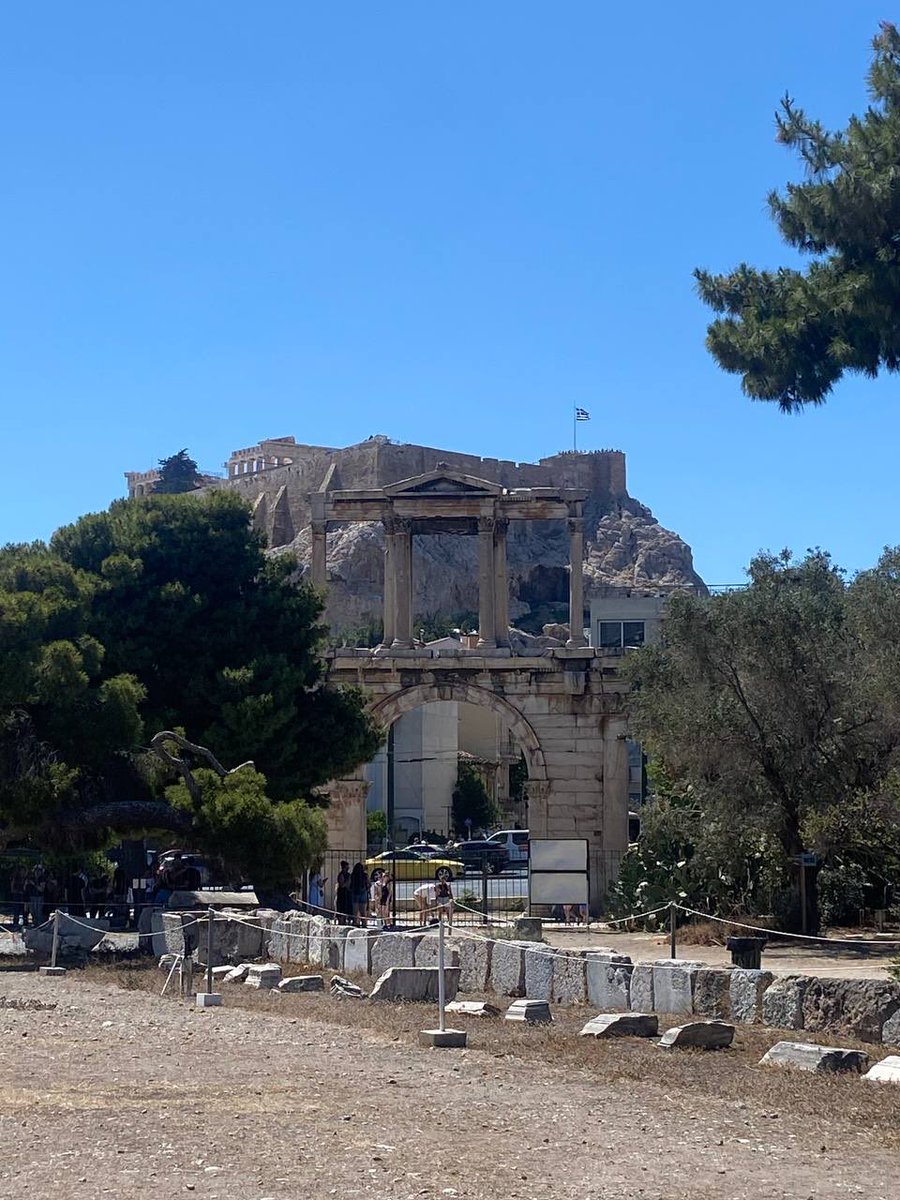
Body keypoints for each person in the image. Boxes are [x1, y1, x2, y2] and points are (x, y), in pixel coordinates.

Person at [350, 862, 369, 926]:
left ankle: (355, 923)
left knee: (355, 911)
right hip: (363, 892)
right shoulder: (365, 875)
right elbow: (369, 884)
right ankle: (364, 924)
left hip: (355, 892)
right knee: (363, 911)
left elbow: (350, 884)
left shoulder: (353, 875)